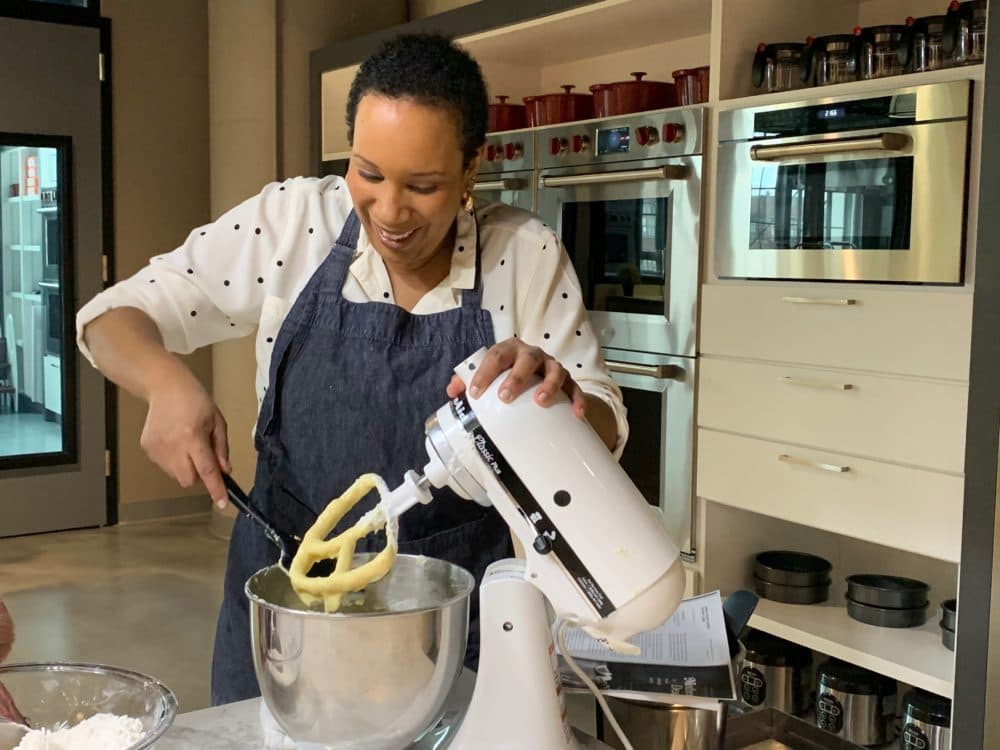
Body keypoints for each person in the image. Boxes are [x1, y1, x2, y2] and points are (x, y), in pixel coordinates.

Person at [77, 33, 628, 705]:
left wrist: (554, 391)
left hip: (456, 619)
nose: (389, 211)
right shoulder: (292, 223)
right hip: (289, 607)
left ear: (471, 170)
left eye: (423, 186)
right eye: (367, 173)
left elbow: (602, 425)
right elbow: (111, 316)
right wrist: (165, 385)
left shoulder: (525, 255)